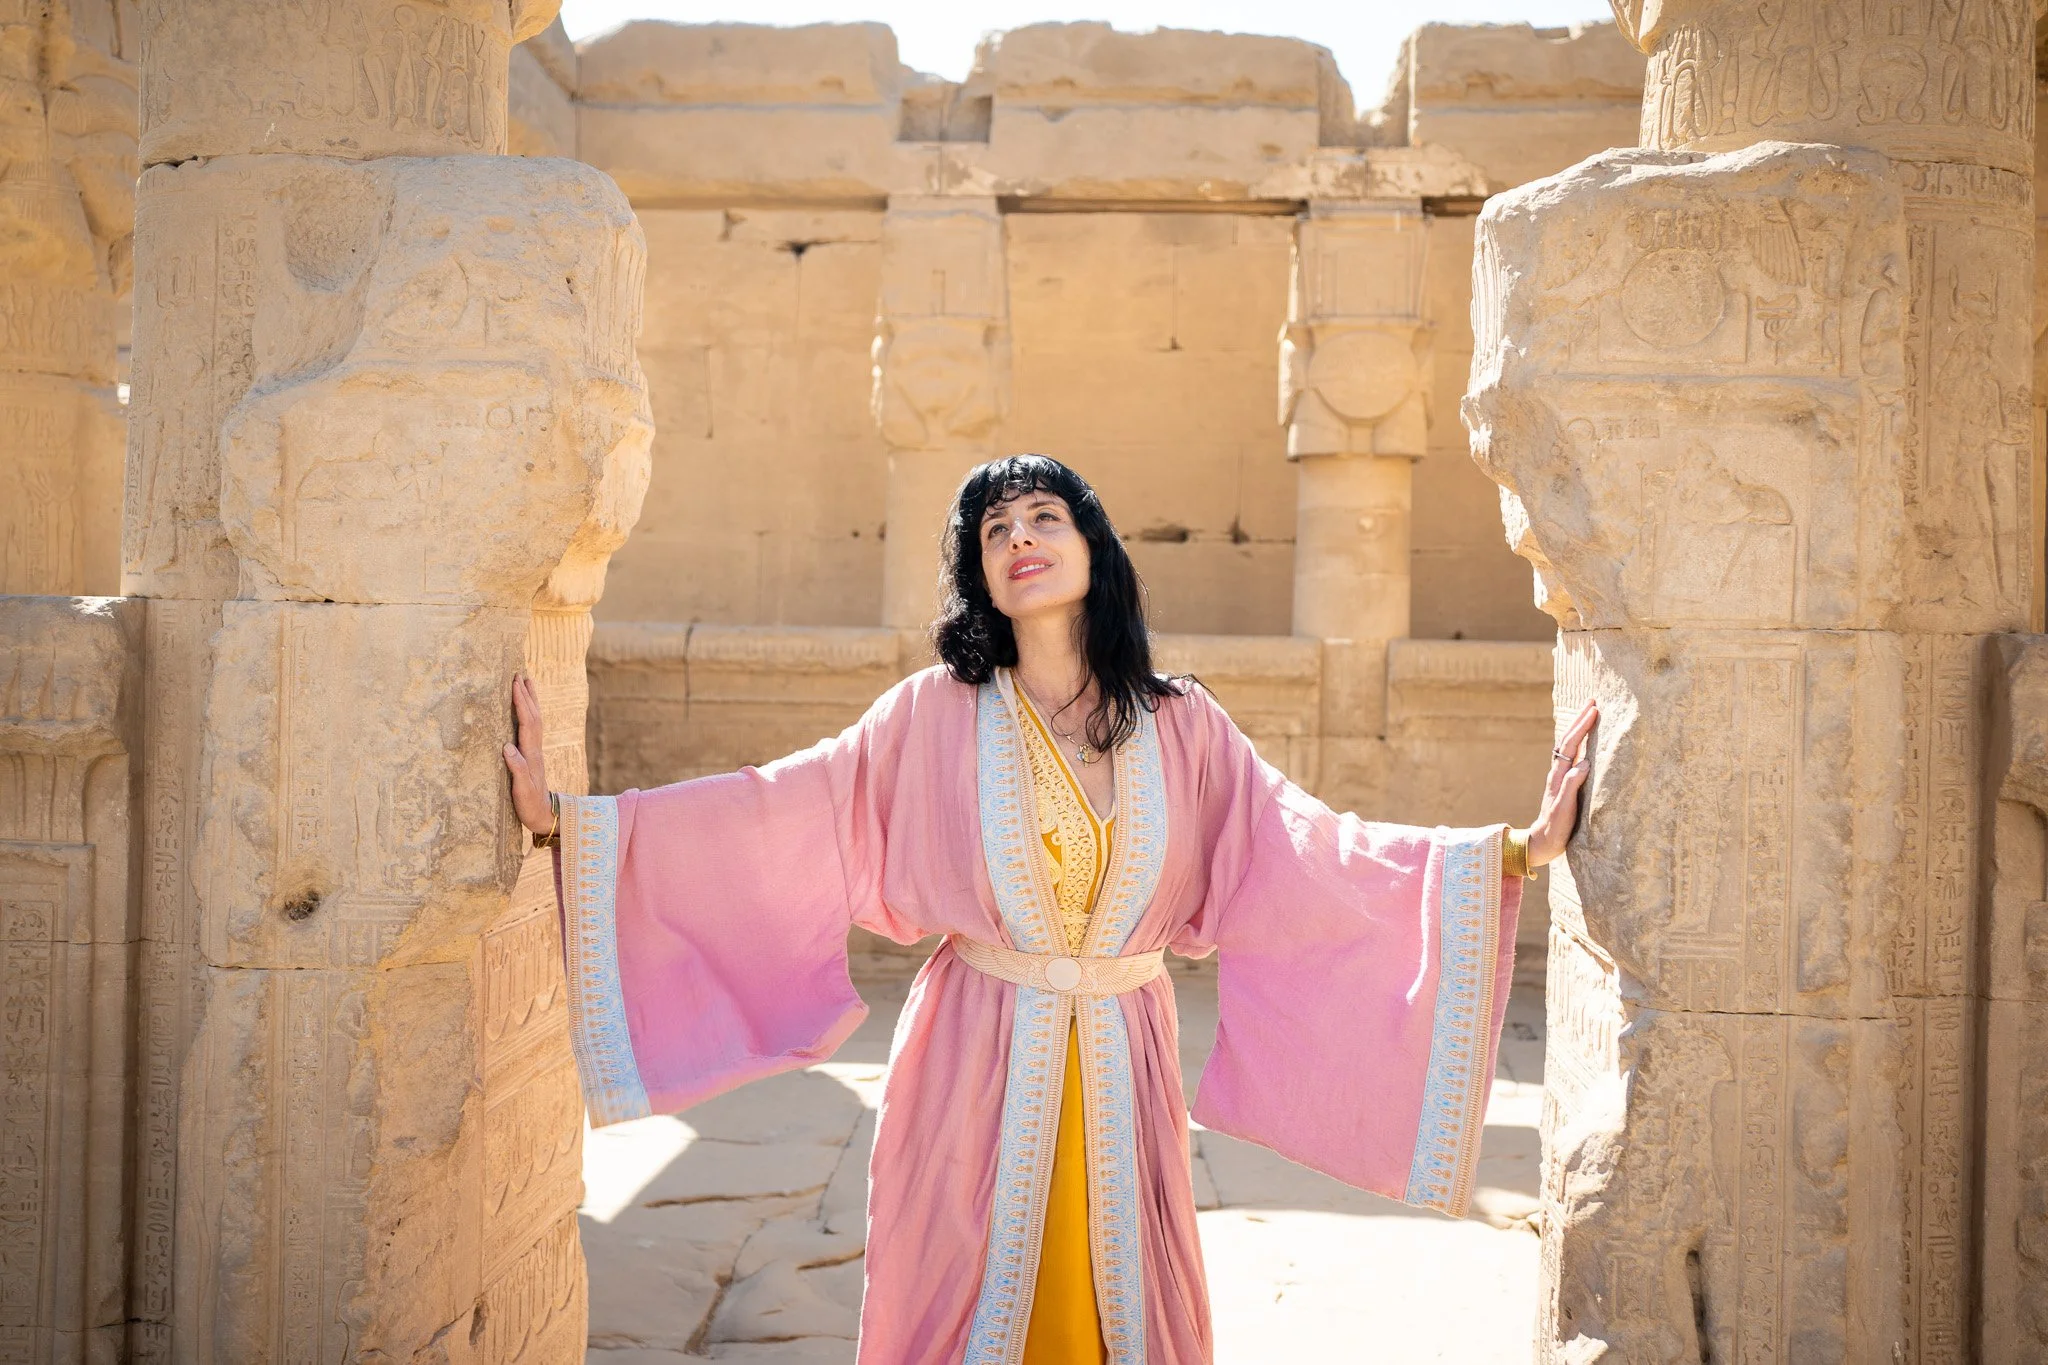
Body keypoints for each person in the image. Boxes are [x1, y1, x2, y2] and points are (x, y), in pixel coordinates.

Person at [504, 454, 1595, 1365]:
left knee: (1110, 1288)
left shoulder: (1180, 724)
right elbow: (778, 810)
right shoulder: (931, 716)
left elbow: (1304, 846)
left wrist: (1510, 850)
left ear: (1091, 548)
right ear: (978, 574)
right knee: (963, 1285)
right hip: (972, 1046)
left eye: (1043, 516)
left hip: (1122, 1046)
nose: (1018, 536)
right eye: (991, 529)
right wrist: (569, 824)